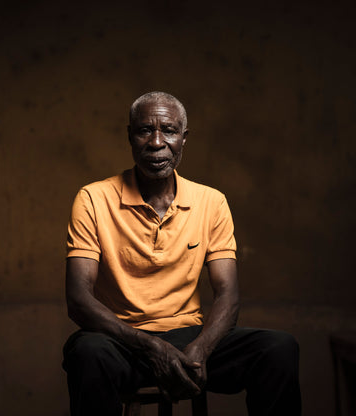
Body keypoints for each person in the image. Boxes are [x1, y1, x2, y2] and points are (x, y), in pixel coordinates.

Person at [62, 91, 301, 415]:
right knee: (87, 353)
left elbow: (228, 294)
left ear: (184, 138)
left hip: (190, 338)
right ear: (130, 136)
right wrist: (150, 346)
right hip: (123, 341)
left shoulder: (211, 202)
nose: (156, 142)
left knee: (278, 349)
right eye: (145, 130)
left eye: (169, 131)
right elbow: (78, 299)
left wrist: (201, 349)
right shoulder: (93, 198)